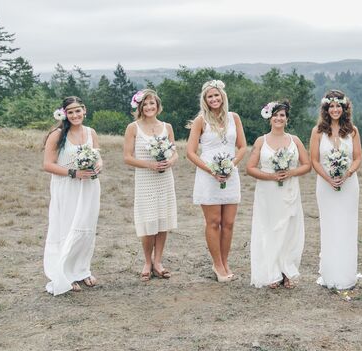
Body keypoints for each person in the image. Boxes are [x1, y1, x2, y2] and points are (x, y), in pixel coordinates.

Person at [187, 80, 247, 282]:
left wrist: (232, 165)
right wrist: (211, 170)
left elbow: (241, 146)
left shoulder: (234, 118)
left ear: (223, 96)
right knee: (214, 222)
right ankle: (217, 264)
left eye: (216, 95)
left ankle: (225, 260)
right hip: (208, 175)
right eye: (209, 96)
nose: (214, 99)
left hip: (230, 174)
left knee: (228, 223)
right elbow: (190, 152)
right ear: (205, 100)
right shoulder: (200, 121)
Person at [247, 100, 311, 289]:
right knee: (269, 229)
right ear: (269, 118)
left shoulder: (295, 140)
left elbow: (307, 165)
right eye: (275, 115)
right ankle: (271, 273)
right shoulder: (261, 141)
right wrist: (271, 176)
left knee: (289, 230)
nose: (278, 118)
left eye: (282, 115)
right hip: (267, 192)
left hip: (289, 190)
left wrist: (290, 173)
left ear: (287, 119)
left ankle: (287, 271)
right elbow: (250, 168)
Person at [42, 96, 101, 295]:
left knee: (86, 229)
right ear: (64, 114)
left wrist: (98, 166)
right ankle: (65, 274)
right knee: (67, 229)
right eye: (71, 112)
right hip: (66, 187)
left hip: (89, 187)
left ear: (84, 111)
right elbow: (47, 164)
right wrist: (73, 173)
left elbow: (98, 157)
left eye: (78, 110)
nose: (75, 115)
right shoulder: (57, 135)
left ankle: (82, 269)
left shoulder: (91, 132)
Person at [123, 89, 178, 281]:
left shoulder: (167, 126)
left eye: (152, 103)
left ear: (157, 106)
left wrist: (170, 161)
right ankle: (147, 261)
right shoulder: (133, 128)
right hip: (145, 180)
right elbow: (127, 157)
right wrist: (150, 165)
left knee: (162, 220)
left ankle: (158, 261)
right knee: (148, 222)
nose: (149, 107)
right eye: (145, 104)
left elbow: (175, 151)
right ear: (139, 107)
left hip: (165, 179)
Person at [309, 90, 362, 290]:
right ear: (325, 109)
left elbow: (357, 157)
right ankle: (330, 274)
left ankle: (347, 274)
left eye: (338, 106)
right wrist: (329, 178)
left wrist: (347, 174)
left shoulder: (352, 131)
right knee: (329, 226)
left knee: (347, 227)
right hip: (325, 185)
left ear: (344, 108)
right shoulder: (317, 132)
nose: (335, 109)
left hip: (349, 185)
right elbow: (314, 160)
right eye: (331, 106)